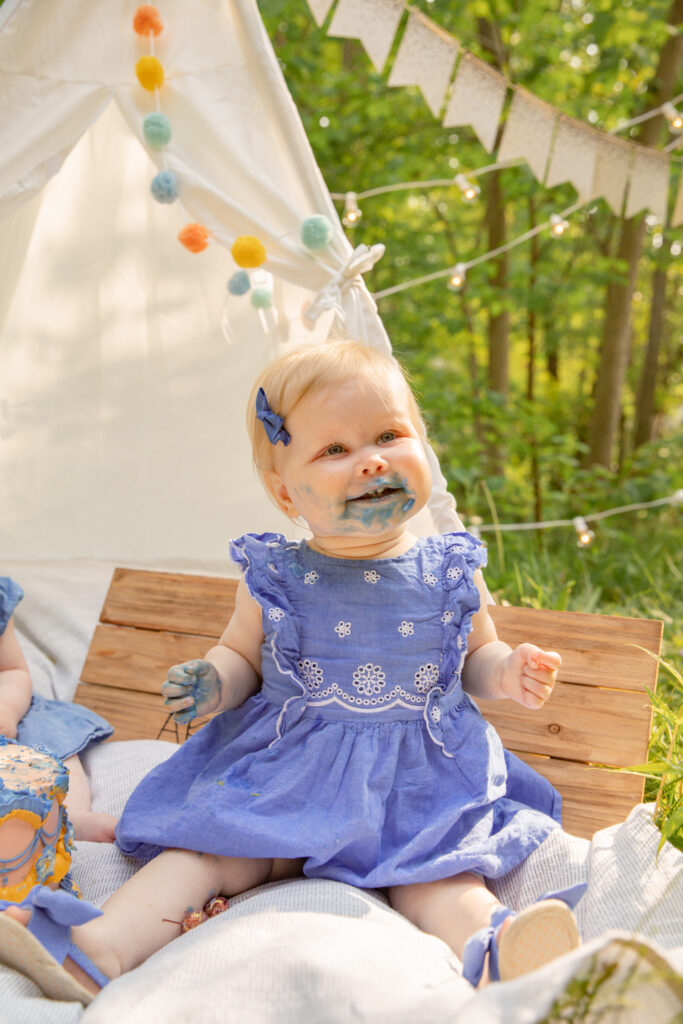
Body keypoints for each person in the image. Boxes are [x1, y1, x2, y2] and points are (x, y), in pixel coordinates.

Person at [0, 340, 585, 1004]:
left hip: (415, 788)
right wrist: (213, 682)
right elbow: (241, 657)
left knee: (444, 882)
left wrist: (506, 670)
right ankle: (98, 948)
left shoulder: (449, 568)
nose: (370, 458)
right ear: (284, 492)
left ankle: (497, 949)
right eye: (333, 451)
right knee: (207, 857)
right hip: (290, 781)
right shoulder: (276, 575)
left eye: (389, 435)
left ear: (423, 446)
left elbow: (472, 656)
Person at [0, 577, 117, 843]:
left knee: (51, 740)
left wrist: (7, 707)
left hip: (10, 714)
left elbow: (12, 670)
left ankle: (71, 815)